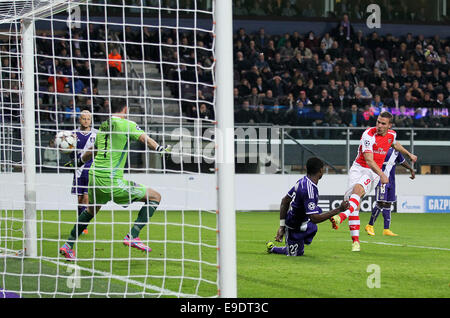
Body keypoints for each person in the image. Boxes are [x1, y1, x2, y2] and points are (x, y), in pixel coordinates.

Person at [59, 98, 171, 261]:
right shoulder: (126, 124)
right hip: (110, 179)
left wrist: (79, 162)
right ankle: (133, 236)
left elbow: (92, 150)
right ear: (125, 109)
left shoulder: (103, 128)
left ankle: (68, 245)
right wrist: (159, 149)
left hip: (94, 175)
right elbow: (143, 138)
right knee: (155, 197)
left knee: (90, 211)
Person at [330, 111, 417, 252]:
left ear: (389, 125)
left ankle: (342, 216)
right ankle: (356, 242)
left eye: (383, 123)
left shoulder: (391, 135)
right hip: (359, 168)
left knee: (358, 190)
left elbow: (395, 144)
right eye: (378, 122)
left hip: (373, 172)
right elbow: (369, 160)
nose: (379, 126)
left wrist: (409, 154)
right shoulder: (368, 135)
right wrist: (383, 174)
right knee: (354, 203)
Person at [266, 157, 349, 256]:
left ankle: (299, 241)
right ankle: (273, 248)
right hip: (295, 225)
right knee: (295, 254)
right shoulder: (309, 190)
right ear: (321, 170)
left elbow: (285, 201)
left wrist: (281, 225)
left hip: (304, 221)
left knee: (317, 210)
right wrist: (339, 209)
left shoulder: (302, 181)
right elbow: (314, 218)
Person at [365, 148, 415, 236]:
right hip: (381, 178)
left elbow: (402, 161)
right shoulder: (380, 147)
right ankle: (370, 225)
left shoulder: (396, 149)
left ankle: (386, 229)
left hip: (391, 180)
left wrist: (411, 169)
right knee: (381, 202)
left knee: (388, 204)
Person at [65, 110, 97, 235]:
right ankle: (81, 222)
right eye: (83, 119)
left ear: (91, 120)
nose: (86, 121)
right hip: (78, 170)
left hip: (91, 168)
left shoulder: (96, 134)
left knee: (86, 198)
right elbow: (68, 150)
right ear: (79, 120)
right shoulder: (73, 134)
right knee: (79, 199)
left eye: (88, 119)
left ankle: (84, 225)